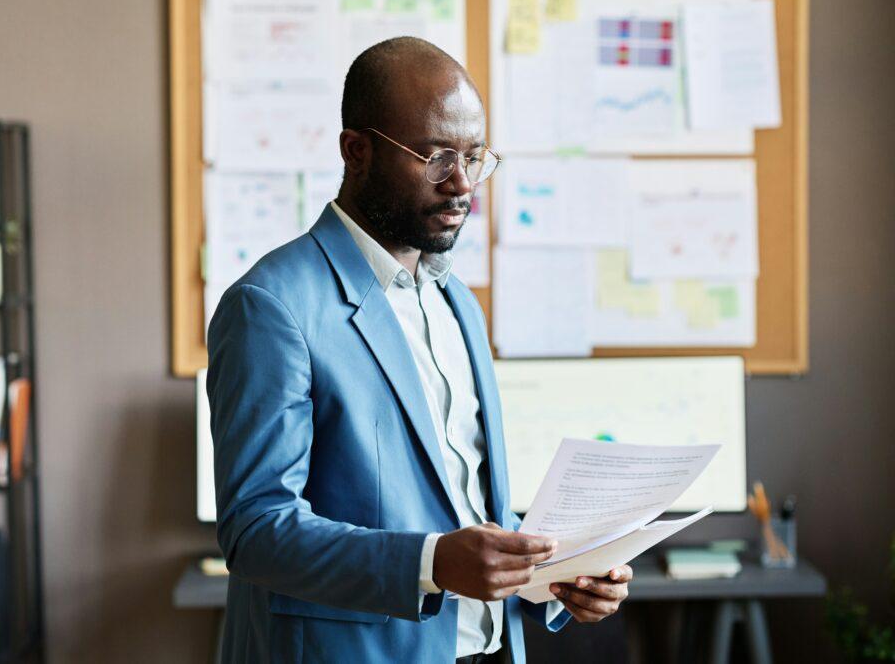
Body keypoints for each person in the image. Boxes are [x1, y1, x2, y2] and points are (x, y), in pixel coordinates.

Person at [206, 36, 632, 664]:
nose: (462, 184)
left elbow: (466, 502)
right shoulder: (272, 307)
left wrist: (558, 572)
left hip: (485, 650)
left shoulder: (456, 297)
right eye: (435, 157)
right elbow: (256, 530)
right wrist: (432, 562)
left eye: (473, 156)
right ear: (357, 151)